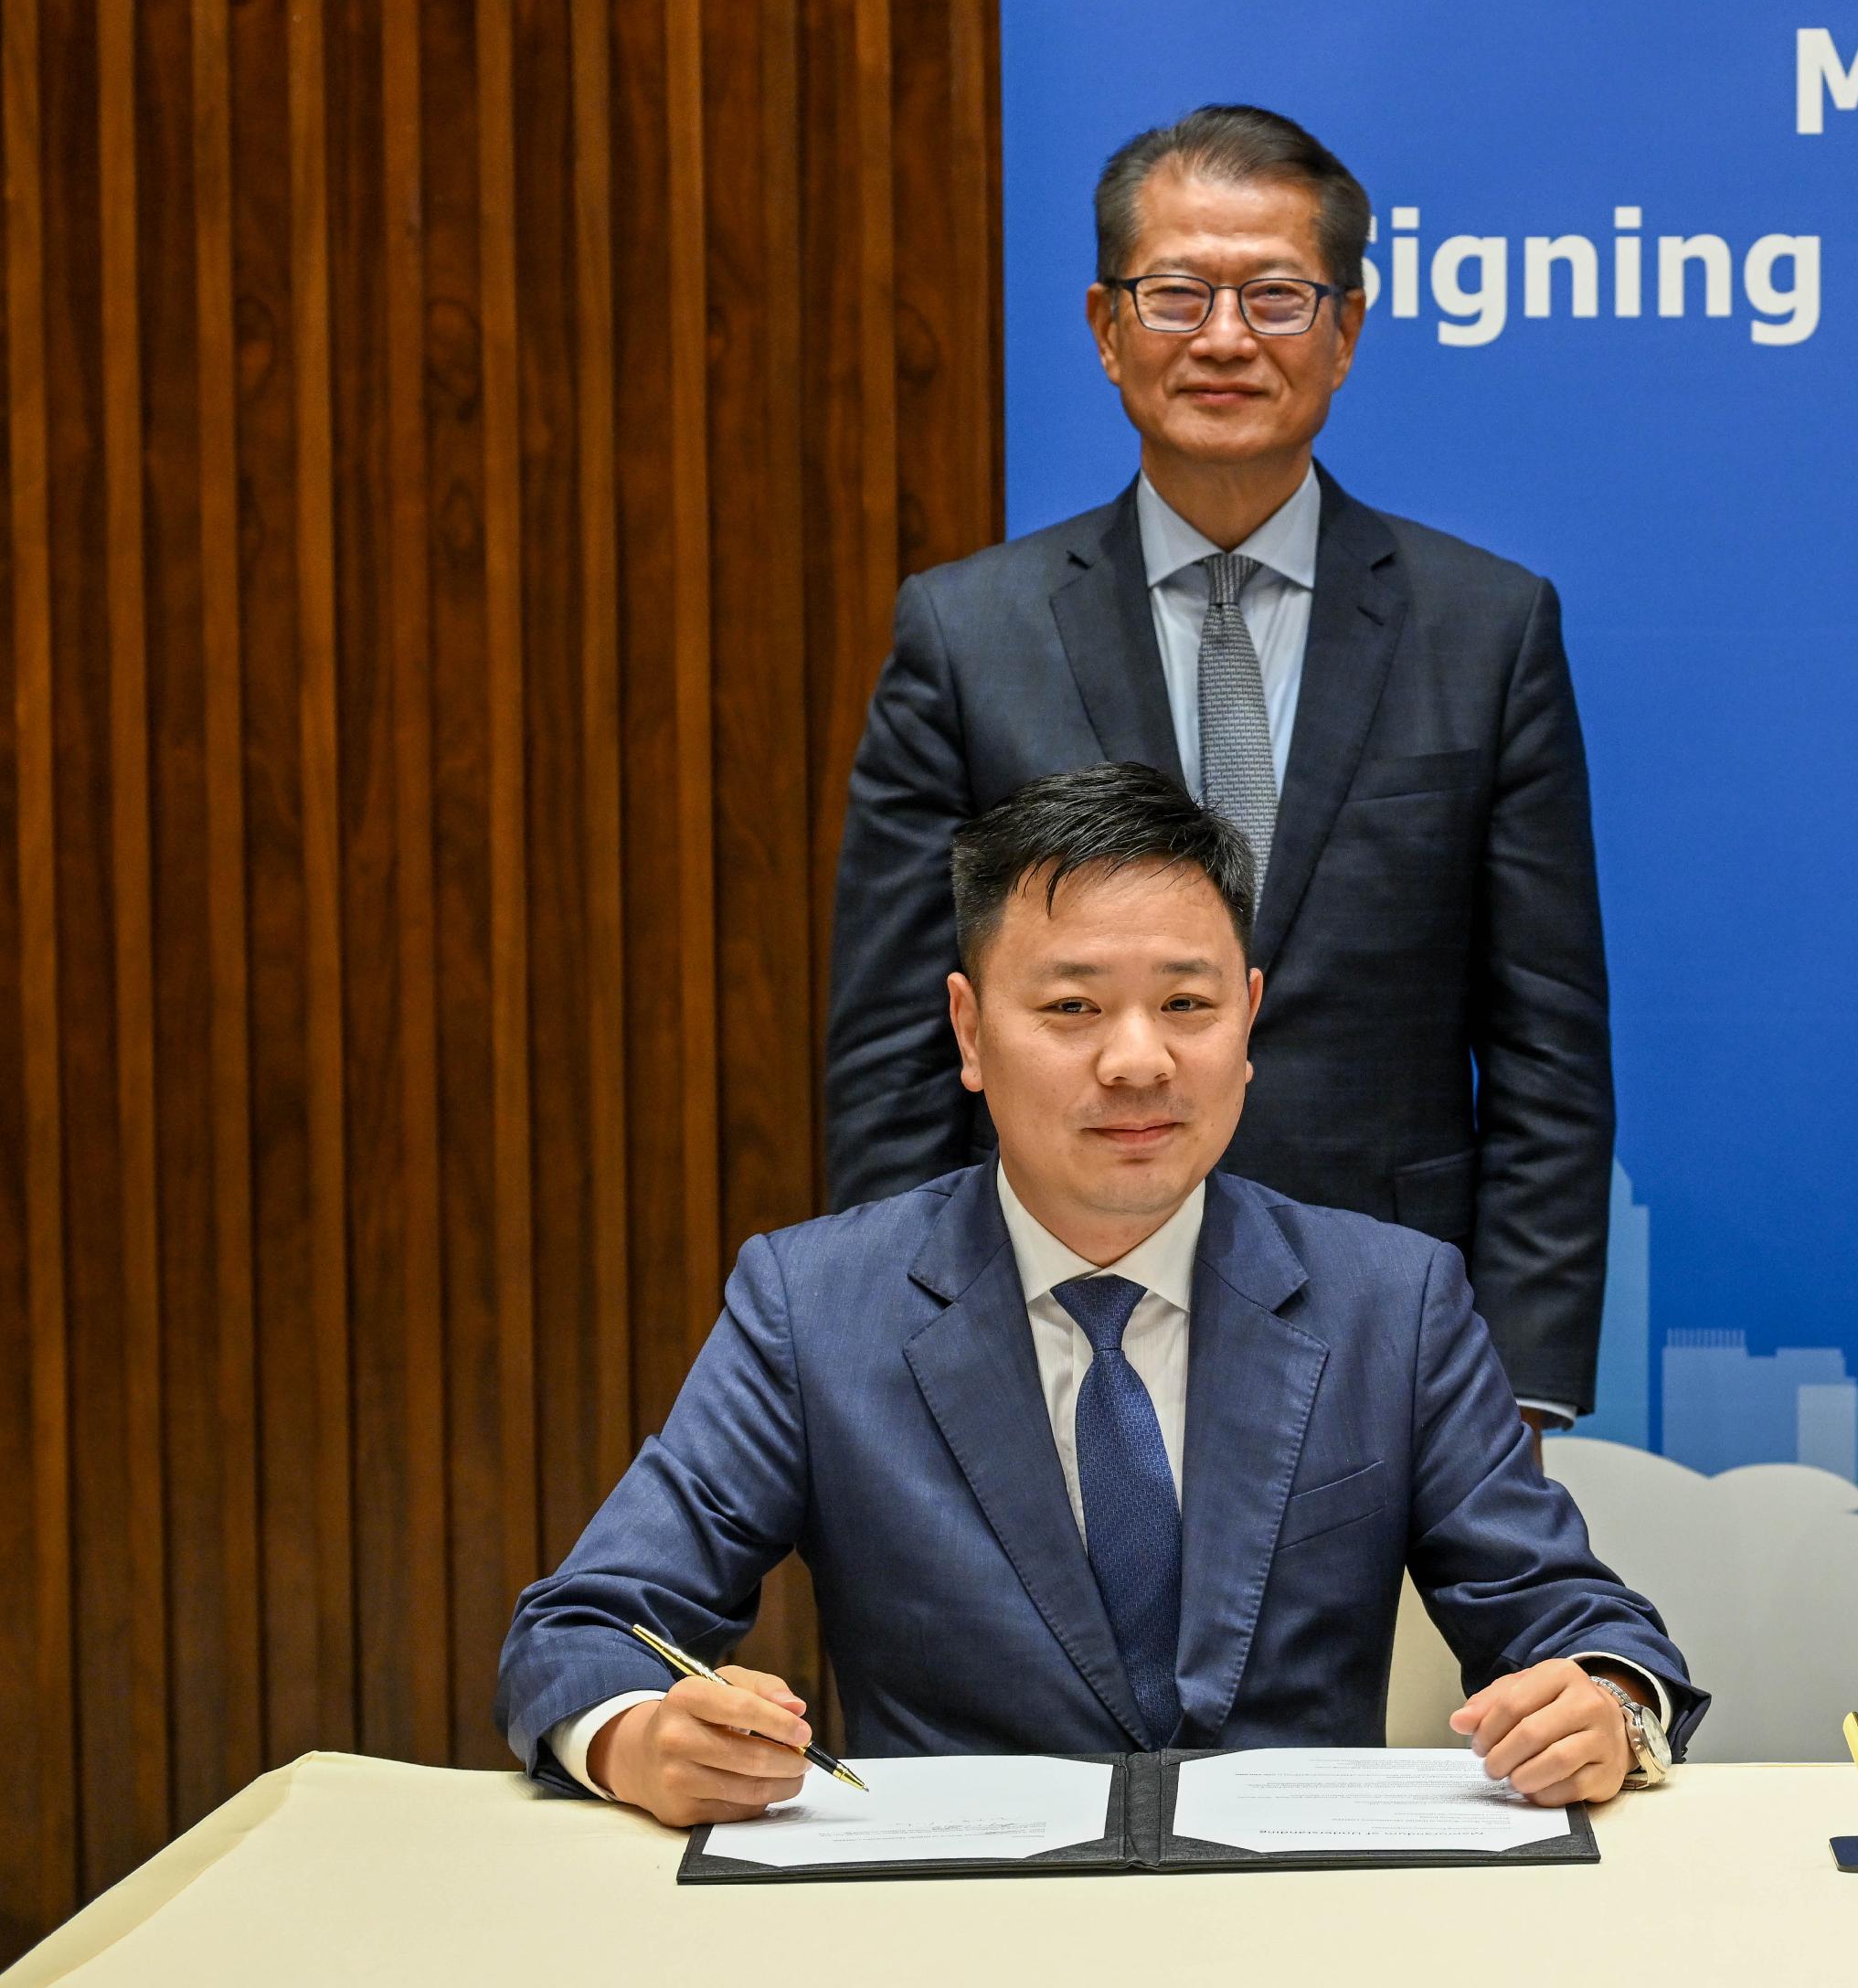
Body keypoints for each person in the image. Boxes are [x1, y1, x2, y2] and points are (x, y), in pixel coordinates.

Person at [504, 764, 1693, 1825]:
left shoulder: (1392, 1300)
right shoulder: (816, 1308)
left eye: (1188, 1005)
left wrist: (1604, 1707)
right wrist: (638, 1738)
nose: (1138, 1061)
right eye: (1072, 1009)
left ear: (1249, 1024)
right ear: (970, 1031)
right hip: (949, 1939)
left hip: (1299, 1938)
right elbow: (585, 1626)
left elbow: (1582, 1623)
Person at [828, 103, 1613, 1432]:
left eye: (1279, 296)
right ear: (1105, 324)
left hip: (1387, 1335)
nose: (1228, 338)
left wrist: (1515, 1388)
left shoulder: (1486, 629)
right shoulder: (970, 636)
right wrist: (899, 1345)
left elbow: (1545, 1048)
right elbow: (900, 1040)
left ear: (1348, 330)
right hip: (1041, 1319)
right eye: (1179, 293)